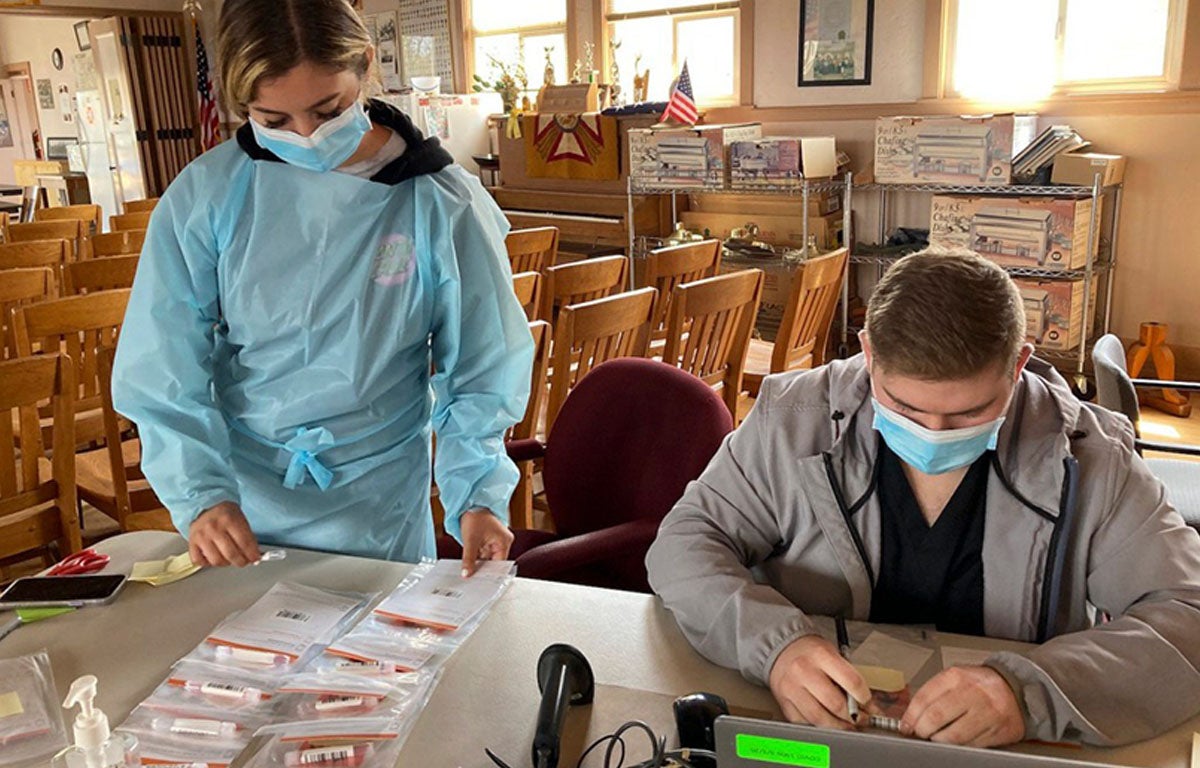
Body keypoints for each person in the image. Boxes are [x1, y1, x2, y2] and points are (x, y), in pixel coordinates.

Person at [646, 248, 1200, 747]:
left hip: (1002, 745)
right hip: (818, 733)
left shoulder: (1090, 456)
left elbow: (1186, 612)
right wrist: (777, 647)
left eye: (968, 413)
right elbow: (685, 544)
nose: (933, 432)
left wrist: (1028, 693)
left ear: (1019, 364)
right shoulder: (794, 419)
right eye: (905, 407)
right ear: (867, 353)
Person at [112, 0, 533, 574]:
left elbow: (482, 367)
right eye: (275, 120)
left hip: (379, 500)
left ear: (363, 65)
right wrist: (201, 494)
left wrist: (477, 495)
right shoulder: (209, 197)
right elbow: (162, 368)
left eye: (328, 109)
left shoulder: (437, 201)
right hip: (243, 506)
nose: (307, 136)